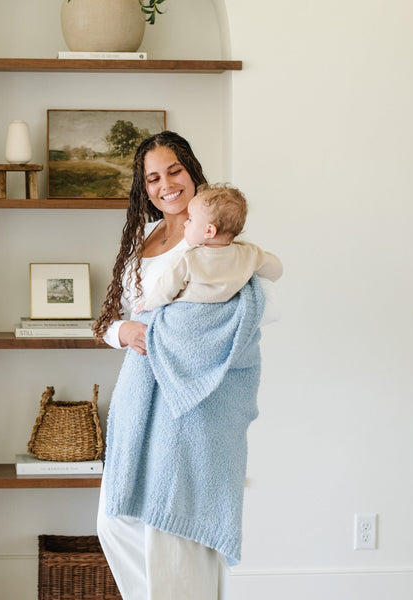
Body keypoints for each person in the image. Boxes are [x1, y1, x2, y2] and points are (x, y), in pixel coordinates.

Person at [93, 131, 281, 600]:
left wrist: (164, 328)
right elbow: (116, 316)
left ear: (192, 170)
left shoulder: (219, 243)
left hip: (192, 400)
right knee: (116, 524)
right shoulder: (144, 236)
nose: (166, 185)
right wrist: (126, 332)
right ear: (145, 189)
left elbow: (257, 309)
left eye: (174, 171)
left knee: (172, 530)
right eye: (153, 178)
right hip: (141, 390)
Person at [134, 182, 283, 313]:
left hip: (188, 314)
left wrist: (149, 305)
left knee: (144, 317)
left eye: (190, 219)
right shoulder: (249, 253)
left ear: (209, 231)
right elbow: (276, 269)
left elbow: (166, 289)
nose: (185, 224)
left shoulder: (187, 258)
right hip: (224, 315)